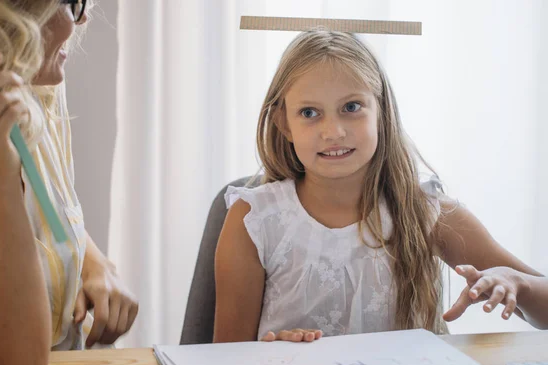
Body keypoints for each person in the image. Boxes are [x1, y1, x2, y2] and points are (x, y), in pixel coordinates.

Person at [213, 29, 548, 344]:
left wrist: (520, 285)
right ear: (283, 123)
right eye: (310, 112)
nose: (334, 132)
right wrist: (265, 357)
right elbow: (225, 363)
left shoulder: (429, 212)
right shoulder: (253, 220)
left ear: (382, 111)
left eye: (351, 107)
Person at [0, 0, 138, 365]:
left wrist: (93, 262)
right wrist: (1, 178)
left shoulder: (37, 90)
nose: (83, 18)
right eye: (70, 3)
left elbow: (50, 215)